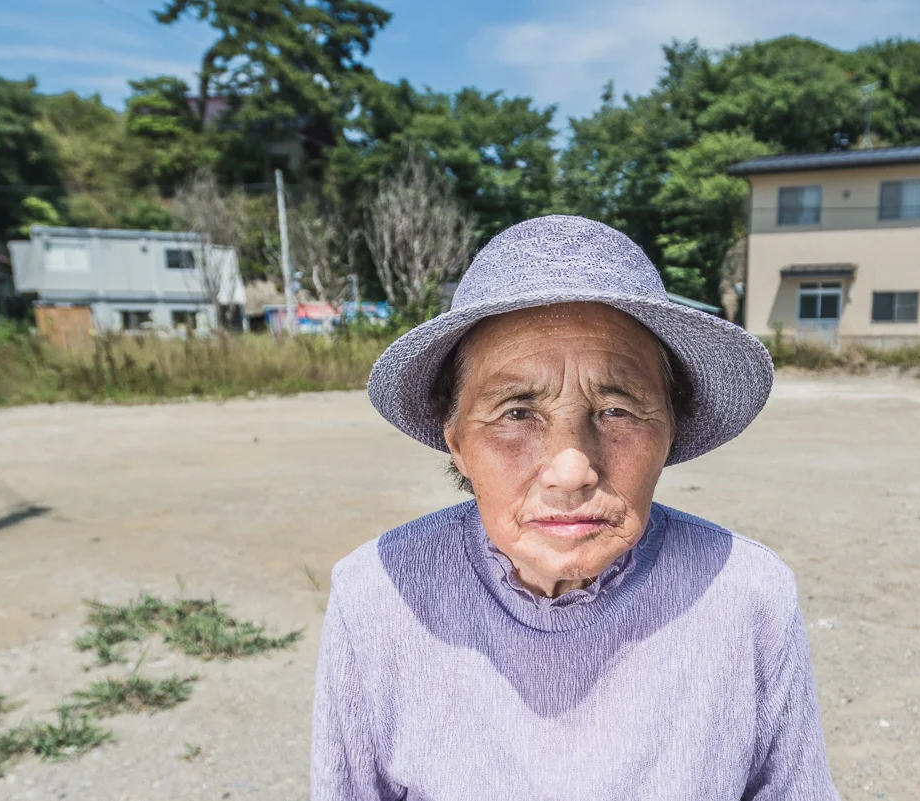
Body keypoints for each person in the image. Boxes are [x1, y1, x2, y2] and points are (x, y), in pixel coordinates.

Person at [311, 215, 839, 800]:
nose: (571, 471)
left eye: (617, 410)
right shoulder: (378, 595)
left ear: (670, 430)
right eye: (516, 412)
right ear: (457, 440)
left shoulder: (747, 596)